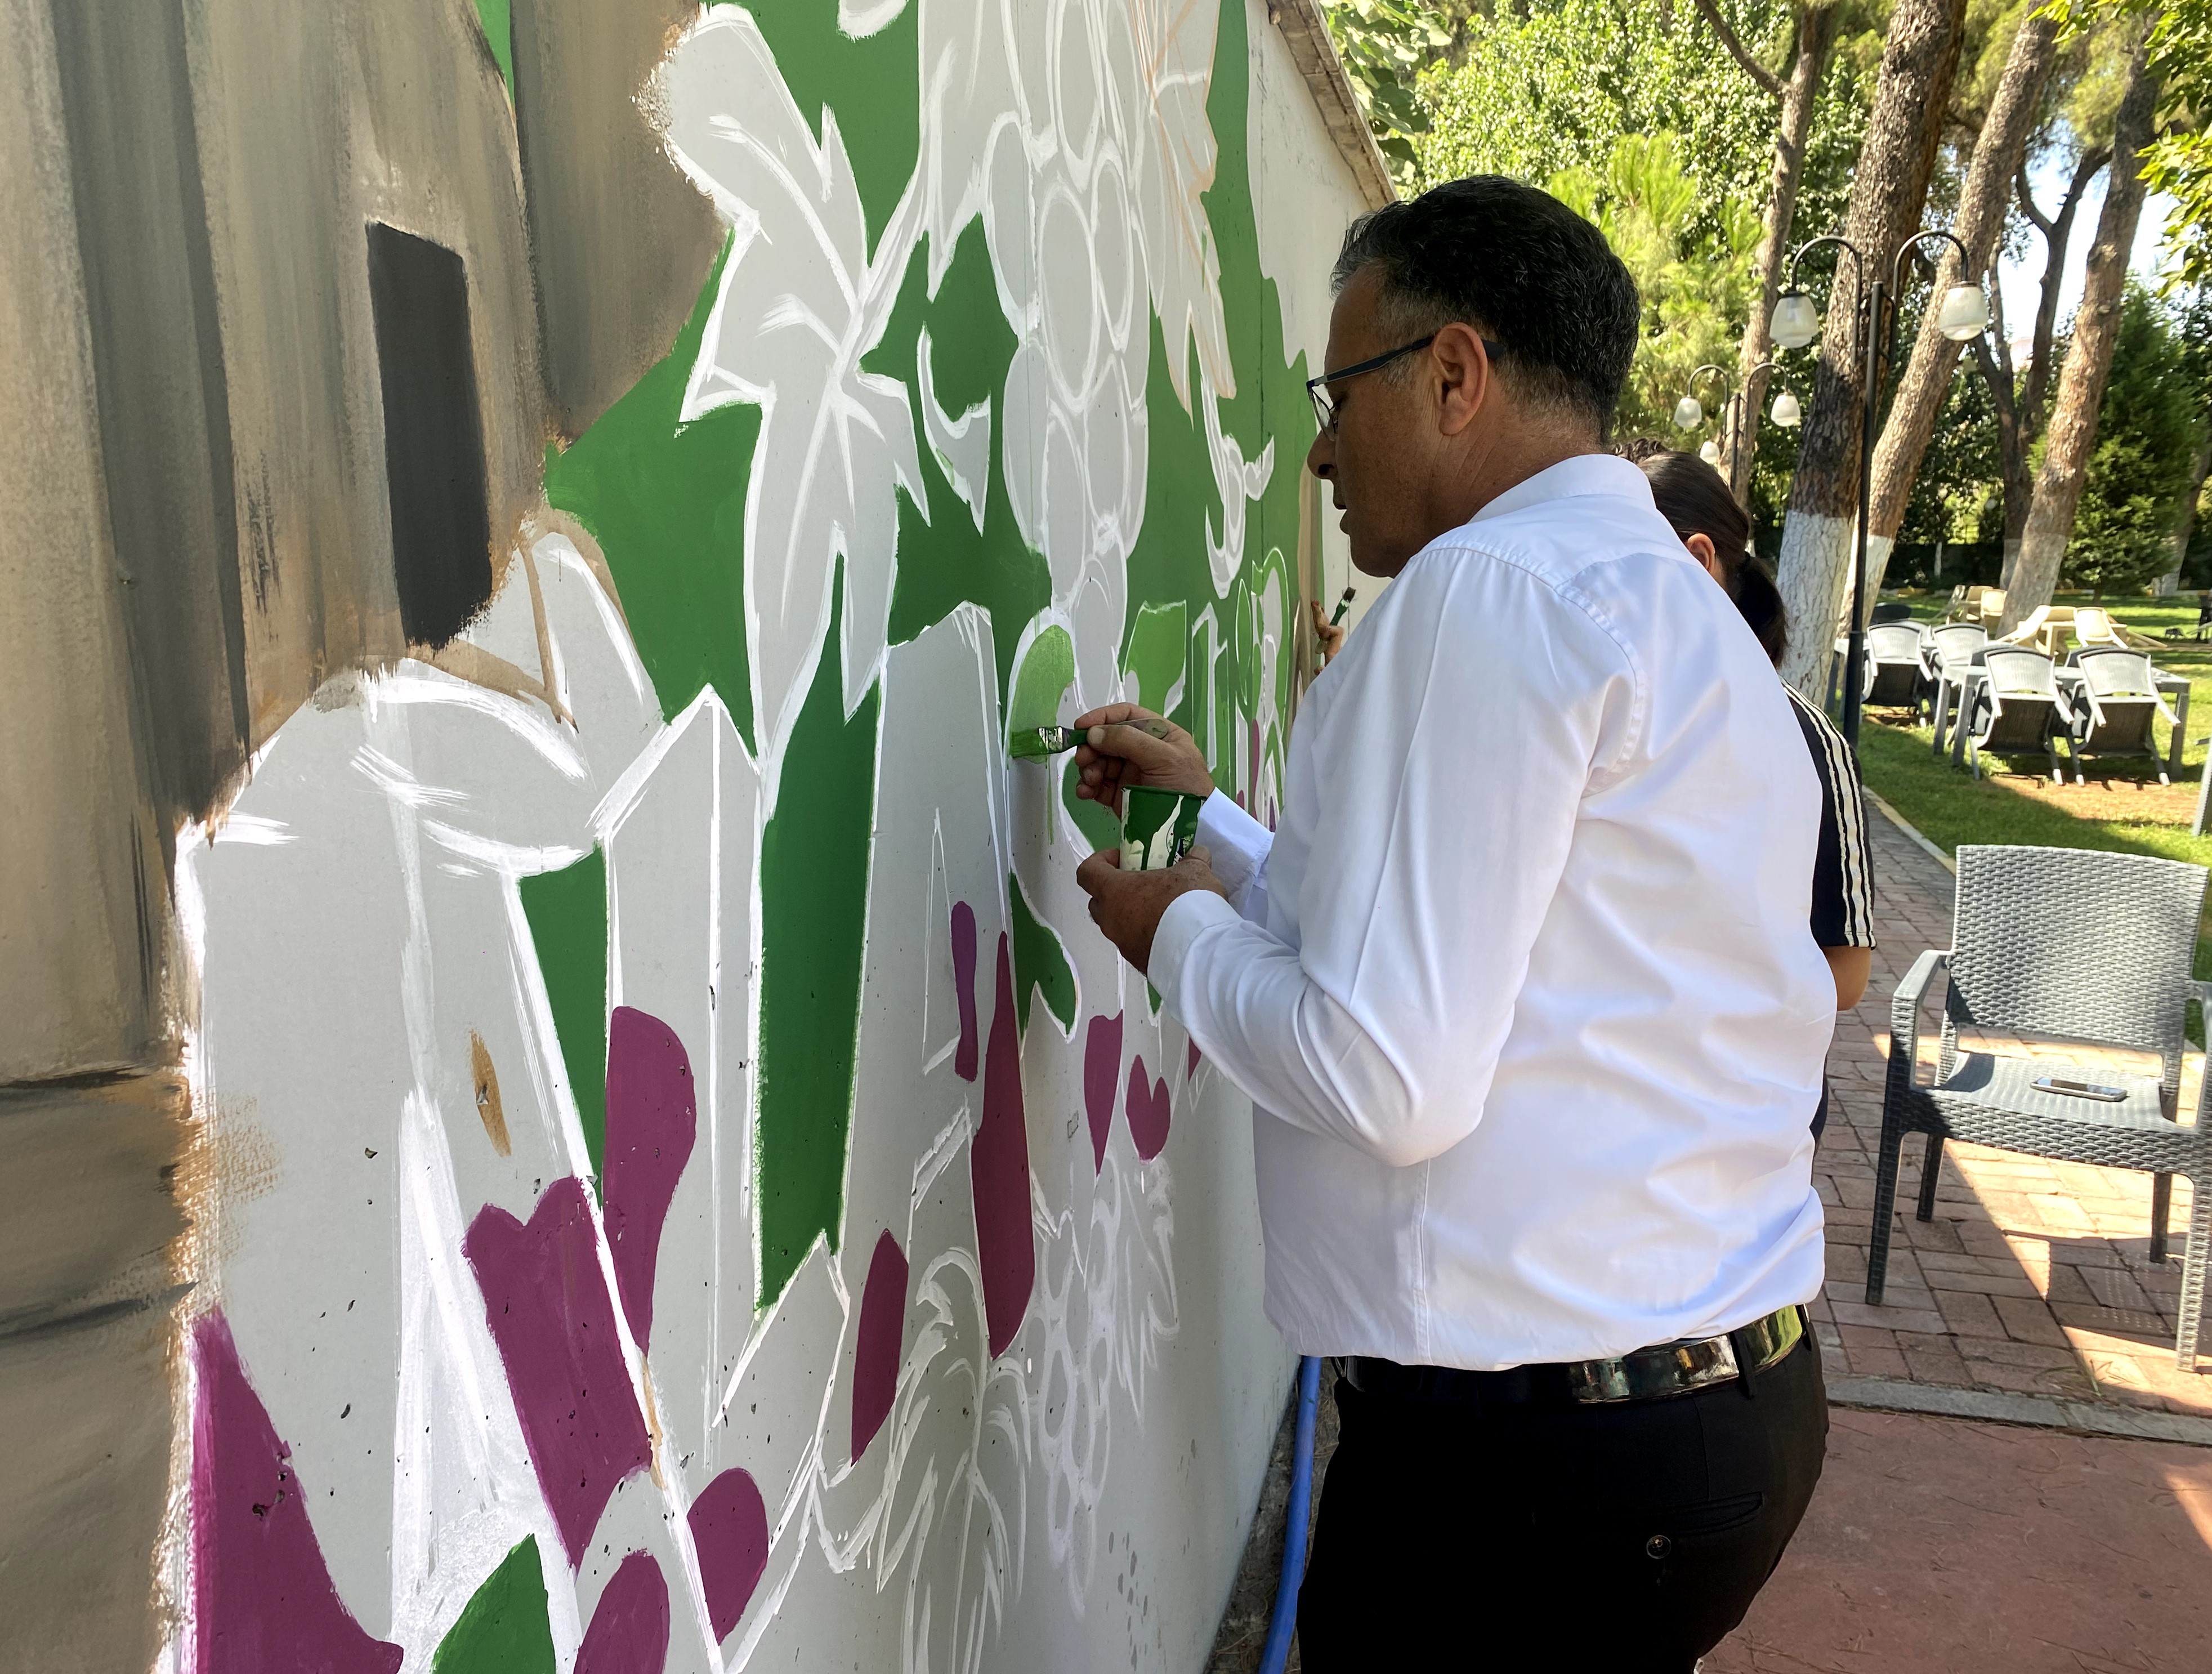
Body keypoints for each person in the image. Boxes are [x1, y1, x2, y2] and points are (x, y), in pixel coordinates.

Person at [1069, 176, 1832, 1668]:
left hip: (1536, 1476)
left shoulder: (1486, 589)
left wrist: (1174, 933)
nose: (1318, 449)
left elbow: (1386, 1074)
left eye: (1336, 394)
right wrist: (1209, 825)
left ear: (1452, 374)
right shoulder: (1668, 606)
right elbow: (1477, 943)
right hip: (1704, 1421)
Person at [1624, 441, 1875, 1145]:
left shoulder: (1807, 741)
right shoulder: (1609, 726)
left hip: (1739, 1114)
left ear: (1698, 560)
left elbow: (1847, 970)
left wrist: (1691, 993)